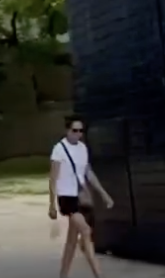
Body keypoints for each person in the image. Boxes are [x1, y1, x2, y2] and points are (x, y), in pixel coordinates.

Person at [49, 115, 114, 278]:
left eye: (81, 131)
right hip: (66, 197)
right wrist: (51, 204)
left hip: (80, 195)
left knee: (72, 239)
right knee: (85, 230)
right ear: (67, 130)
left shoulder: (82, 148)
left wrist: (103, 194)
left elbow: (88, 172)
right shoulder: (59, 149)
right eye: (74, 130)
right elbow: (53, 177)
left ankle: (63, 275)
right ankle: (98, 274)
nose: (78, 134)